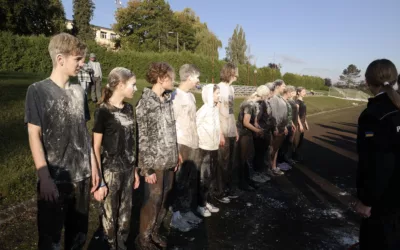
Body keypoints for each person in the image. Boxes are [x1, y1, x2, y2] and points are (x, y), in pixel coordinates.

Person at [24, 33, 99, 250]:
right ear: (60, 59)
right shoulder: (37, 91)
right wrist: (44, 178)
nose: (82, 63)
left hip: (82, 177)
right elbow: (33, 135)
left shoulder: (79, 92)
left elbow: (84, 132)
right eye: (78, 59)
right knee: (51, 240)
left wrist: (93, 166)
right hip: (56, 180)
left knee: (78, 237)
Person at [92, 67, 140, 250]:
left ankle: (122, 244)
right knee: (109, 218)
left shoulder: (129, 108)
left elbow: (131, 141)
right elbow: (95, 146)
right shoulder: (103, 111)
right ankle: (111, 245)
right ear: (120, 85)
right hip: (110, 172)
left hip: (128, 170)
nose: (135, 89)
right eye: (133, 85)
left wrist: (134, 169)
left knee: (126, 217)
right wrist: (101, 181)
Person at [354, 59, 400, 249]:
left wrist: (367, 200)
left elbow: (376, 162)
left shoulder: (374, 114)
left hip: (384, 200)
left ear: (367, 82)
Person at [136, 62, 181, 250]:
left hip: (169, 160)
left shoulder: (167, 100)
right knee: (152, 202)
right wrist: (146, 169)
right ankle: (143, 239)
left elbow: (171, 130)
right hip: (154, 163)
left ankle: (154, 232)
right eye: (171, 78)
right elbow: (141, 137)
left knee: (164, 198)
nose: (174, 81)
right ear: (161, 79)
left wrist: (176, 153)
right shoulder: (145, 103)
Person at [170, 64, 203, 232]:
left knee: (190, 181)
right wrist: (175, 149)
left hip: (192, 142)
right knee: (179, 181)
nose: (198, 81)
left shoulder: (190, 97)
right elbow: (171, 124)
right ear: (189, 77)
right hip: (180, 143)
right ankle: (175, 216)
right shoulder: (175, 96)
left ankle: (186, 210)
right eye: (196, 77)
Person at [236, 85, 270, 191]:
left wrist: (258, 128)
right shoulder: (250, 104)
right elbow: (246, 122)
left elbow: (253, 121)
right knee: (242, 159)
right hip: (243, 134)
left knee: (246, 158)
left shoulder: (256, 104)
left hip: (248, 134)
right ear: (264, 95)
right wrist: (258, 131)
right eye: (267, 95)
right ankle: (241, 182)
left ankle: (246, 180)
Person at [196, 84, 221, 217]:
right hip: (204, 148)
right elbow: (195, 125)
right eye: (217, 93)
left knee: (210, 177)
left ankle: (205, 202)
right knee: (203, 178)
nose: (219, 95)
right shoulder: (204, 110)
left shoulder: (215, 109)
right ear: (210, 95)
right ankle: (200, 205)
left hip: (213, 147)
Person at [217, 63, 240, 203]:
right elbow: (216, 112)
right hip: (222, 131)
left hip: (230, 130)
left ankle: (227, 188)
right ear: (231, 73)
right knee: (221, 163)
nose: (238, 74)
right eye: (236, 71)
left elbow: (230, 111)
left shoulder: (231, 89)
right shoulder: (219, 88)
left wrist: (235, 130)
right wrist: (220, 133)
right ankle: (218, 192)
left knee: (230, 162)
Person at [253, 83, 276, 176]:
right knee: (259, 153)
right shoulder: (260, 103)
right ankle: (258, 172)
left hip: (265, 131)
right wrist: (259, 130)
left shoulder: (266, 102)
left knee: (263, 152)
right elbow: (256, 119)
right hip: (260, 132)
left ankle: (262, 171)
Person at [268, 80, 288, 176]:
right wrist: (275, 128)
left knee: (276, 149)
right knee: (272, 149)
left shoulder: (280, 98)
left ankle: (273, 167)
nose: (285, 87)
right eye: (283, 86)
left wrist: (284, 127)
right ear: (277, 86)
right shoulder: (274, 98)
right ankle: (269, 168)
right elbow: (274, 114)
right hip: (275, 128)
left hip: (280, 127)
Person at [278, 86, 297, 168]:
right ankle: (278, 162)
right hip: (283, 126)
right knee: (281, 145)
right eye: (292, 92)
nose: (292, 94)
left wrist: (292, 123)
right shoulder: (282, 101)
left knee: (285, 144)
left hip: (288, 125)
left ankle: (282, 161)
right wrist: (284, 126)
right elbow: (281, 115)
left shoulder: (287, 102)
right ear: (288, 92)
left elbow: (289, 115)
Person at [293, 87, 309, 162]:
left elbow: (304, 113)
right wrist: (300, 124)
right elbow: (297, 114)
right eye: (303, 91)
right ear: (298, 92)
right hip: (298, 122)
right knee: (296, 140)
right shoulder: (297, 102)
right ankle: (293, 156)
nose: (305, 93)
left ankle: (297, 154)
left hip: (302, 121)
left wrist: (305, 122)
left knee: (301, 140)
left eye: (305, 91)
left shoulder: (302, 101)